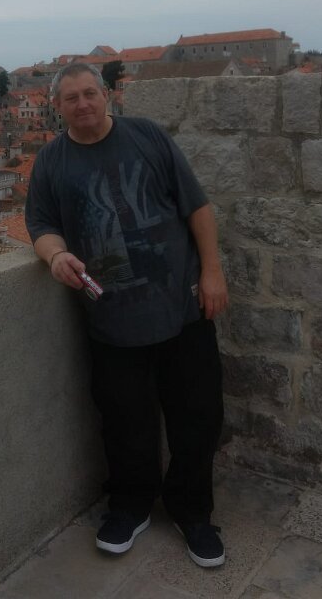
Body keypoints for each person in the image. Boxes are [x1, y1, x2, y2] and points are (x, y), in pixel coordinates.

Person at [25, 62, 229, 568]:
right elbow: (41, 226)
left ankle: (193, 513)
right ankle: (131, 506)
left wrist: (212, 272)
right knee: (124, 422)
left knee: (197, 417)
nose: (82, 103)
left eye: (89, 93)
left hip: (182, 307)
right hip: (112, 320)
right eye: (71, 97)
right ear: (57, 107)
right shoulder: (51, 160)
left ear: (107, 95)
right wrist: (55, 256)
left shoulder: (147, 136)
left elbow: (197, 207)